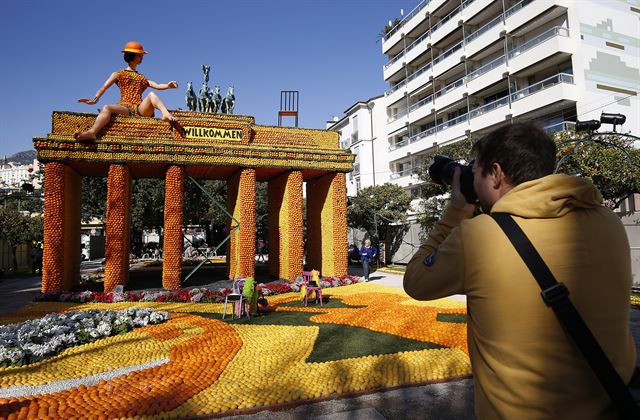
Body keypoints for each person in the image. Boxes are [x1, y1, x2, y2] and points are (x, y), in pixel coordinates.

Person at [403, 122, 636, 419]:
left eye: (475, 173)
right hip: (612, 405)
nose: (472, 182)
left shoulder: (478, 237)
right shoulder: (606, 219)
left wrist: (456, 212)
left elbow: (416, 282)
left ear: (497, 174)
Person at [74, 41, 178, 141]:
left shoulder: (142, 78)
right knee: (106, 107)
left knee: (151, 94)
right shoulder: (118, 74)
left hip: (140, 108)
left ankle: (165, 114)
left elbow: (158, 86)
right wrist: (95, 99)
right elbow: (104, 87)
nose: (142, 57)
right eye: (139, 55)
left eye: (142, 55)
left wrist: (168, 85)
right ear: (132, 56)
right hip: (125, 108)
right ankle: (92, 132)